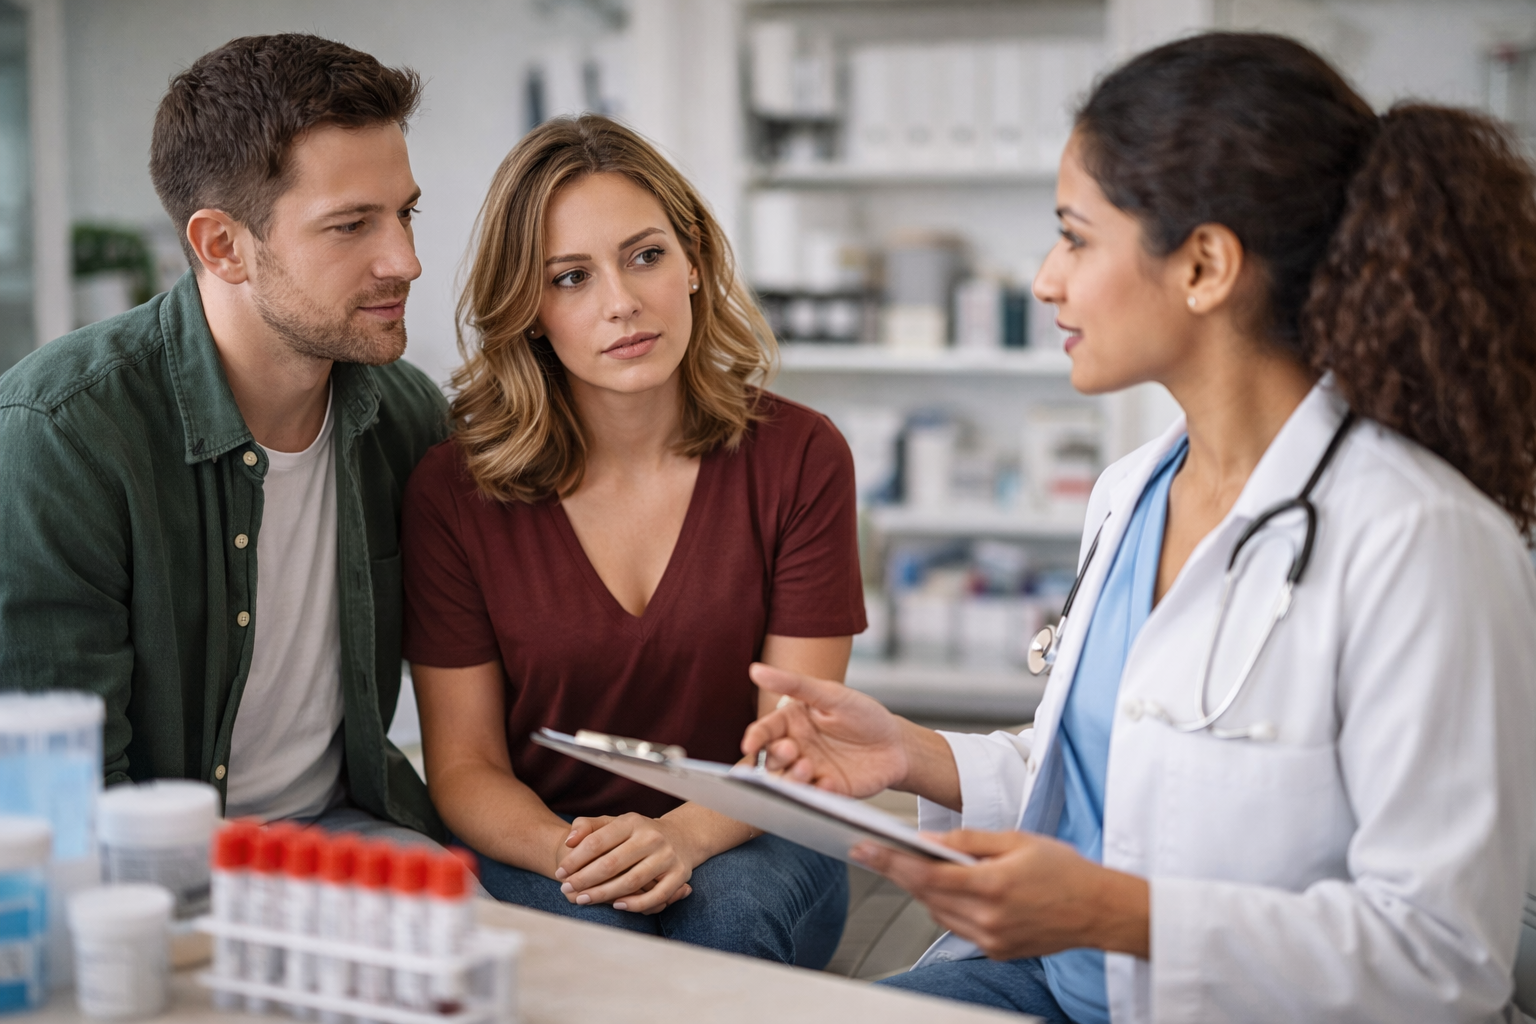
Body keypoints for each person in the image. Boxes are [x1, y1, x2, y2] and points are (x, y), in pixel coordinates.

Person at [741, 33, 1536, 1022]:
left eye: (1075, 236)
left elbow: (1443, 957)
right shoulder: (1132, 490)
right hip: (1060, 980)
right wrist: (908, 752)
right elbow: (1112, 772)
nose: (1044, 279)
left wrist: (1122, 913)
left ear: (1203, 264)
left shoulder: (1421, 540)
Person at [401, 114, 860, 965]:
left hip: (756, 824)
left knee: (721, 926)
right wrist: (571, 853)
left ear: (692, 260)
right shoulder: (453, 492)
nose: (622, 302)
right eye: (571, 277)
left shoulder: (800, 455)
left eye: (645, 255)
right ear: (530, 310)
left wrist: (681, 839)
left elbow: (793, 742)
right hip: (547, 836)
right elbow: (464, 767)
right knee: (600, 942)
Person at [0, 34, 450, 848]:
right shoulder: (62, 436)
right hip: (149, 869)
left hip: (351, 829)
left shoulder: (405, 415)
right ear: (222, 246)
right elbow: (60, 806)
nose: (407, 260)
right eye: (351, 225)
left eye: (405, 214)